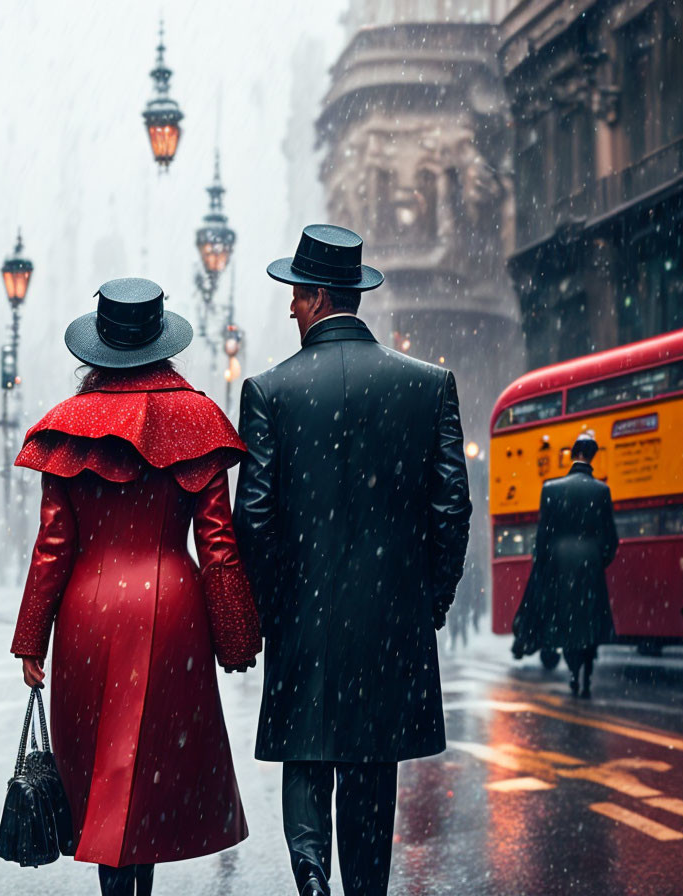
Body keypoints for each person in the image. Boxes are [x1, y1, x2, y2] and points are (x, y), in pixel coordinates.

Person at [233, 225, 472, 896]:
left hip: (303, 614)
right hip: (390, 619)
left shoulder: (270, 391)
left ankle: (310, 875)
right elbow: (451, 507)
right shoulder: (429, 386)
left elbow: (251, 515)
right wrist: (431, 598)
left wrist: (272, 602)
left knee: (306, 753)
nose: (288, 309)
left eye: (293, 296)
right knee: (370, 770)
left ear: (314, 297)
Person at [10, 278, 262, 896]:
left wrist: (29, 640)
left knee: (101, 769)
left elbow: (53, 548)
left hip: (86, 613)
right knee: (144, 772)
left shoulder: (67, 426)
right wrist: (234, 635)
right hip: (174, 604)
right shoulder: (196, 417)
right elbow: (219, 544)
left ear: (97, 347)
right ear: (162, 341)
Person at [512, 432, 618, 698]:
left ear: (572, 455)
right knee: (589, 625)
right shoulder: (602, 491)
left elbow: (542, 537)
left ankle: (573, 672)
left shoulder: (551, 489)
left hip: (560, 566)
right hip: (590, 566)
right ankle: (586, 677)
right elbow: (611, 539)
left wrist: (546, 563)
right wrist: (598, 560)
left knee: (569, 624)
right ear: (593, 456)